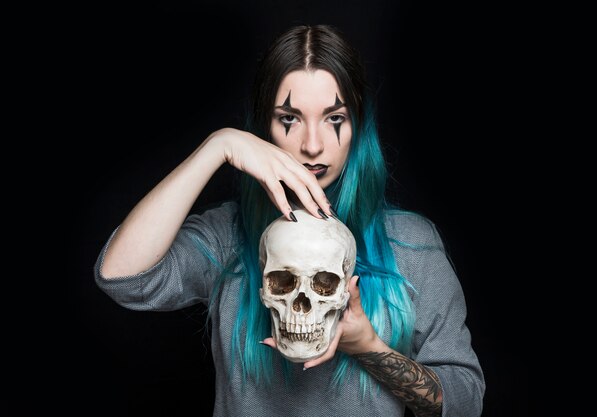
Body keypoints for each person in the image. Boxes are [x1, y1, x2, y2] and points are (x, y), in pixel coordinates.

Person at [94, 24, 485, 417]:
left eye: (335, 119)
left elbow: (466, 401)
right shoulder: (227, 237)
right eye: (289, 119)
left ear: (358, 126)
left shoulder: (411, 245)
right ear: (264, 127)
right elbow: (121, 277)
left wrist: (370, 348)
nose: (312, 145)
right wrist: (218, 146)